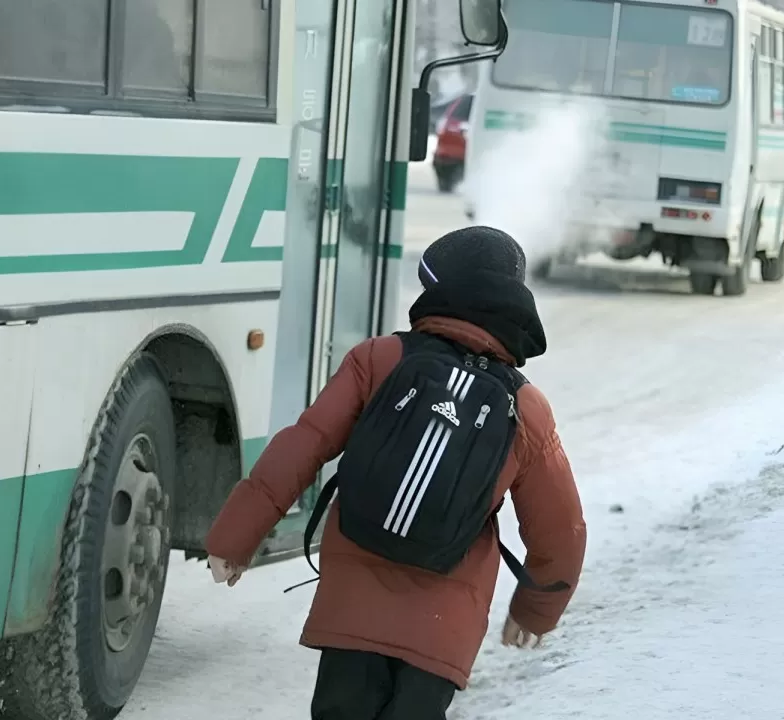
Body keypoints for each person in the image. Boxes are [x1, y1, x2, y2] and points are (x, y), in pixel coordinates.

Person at [202, 226, 588, 719]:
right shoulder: (525, 407)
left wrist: (235, 537)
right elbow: (562, 528)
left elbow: (304, 444)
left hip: (351, 610)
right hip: (442, 629)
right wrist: (535, 609)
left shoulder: (379, 358)